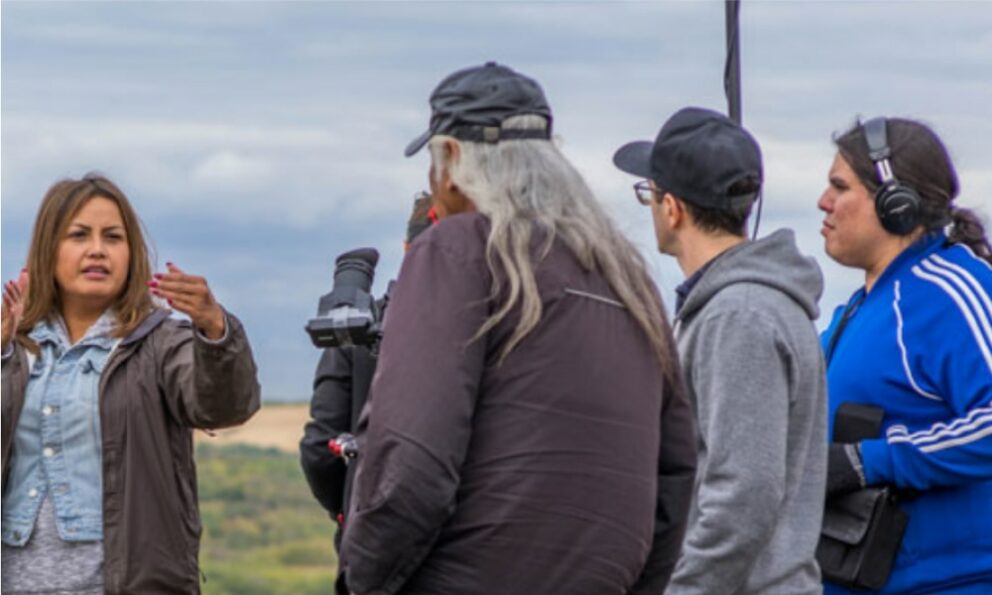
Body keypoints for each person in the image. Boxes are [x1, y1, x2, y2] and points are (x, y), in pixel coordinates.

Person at [339, 62, 697, 595]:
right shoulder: (628, 277)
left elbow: (412, 458)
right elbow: (673, 478)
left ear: (454, 159)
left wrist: (362, 579)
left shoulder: (459, 250)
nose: (434, 191)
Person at [1, 174, 261, 594]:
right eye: (79, 235)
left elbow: (224, 408)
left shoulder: (161, 343)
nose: (97, 250)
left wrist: (215, 331)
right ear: (49, 249)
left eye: (114, 237)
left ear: (132, 253)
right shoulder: (14, 347)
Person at [613, 107, 828, 594]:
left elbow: (744, 494)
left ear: (671, 208)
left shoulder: (738, 316)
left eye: (648, 192)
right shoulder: (741, 307)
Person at [818, 117, 992, 593]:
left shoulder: (950, 293)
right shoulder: (857, 309)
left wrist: (869, 461)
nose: (823, 202)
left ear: (897, 205)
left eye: (839, 186)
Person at [299, 193, 434, 595]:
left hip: (369, 549)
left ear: (407, 248)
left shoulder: (356, 326)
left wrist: (347, 509)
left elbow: (318, 447)